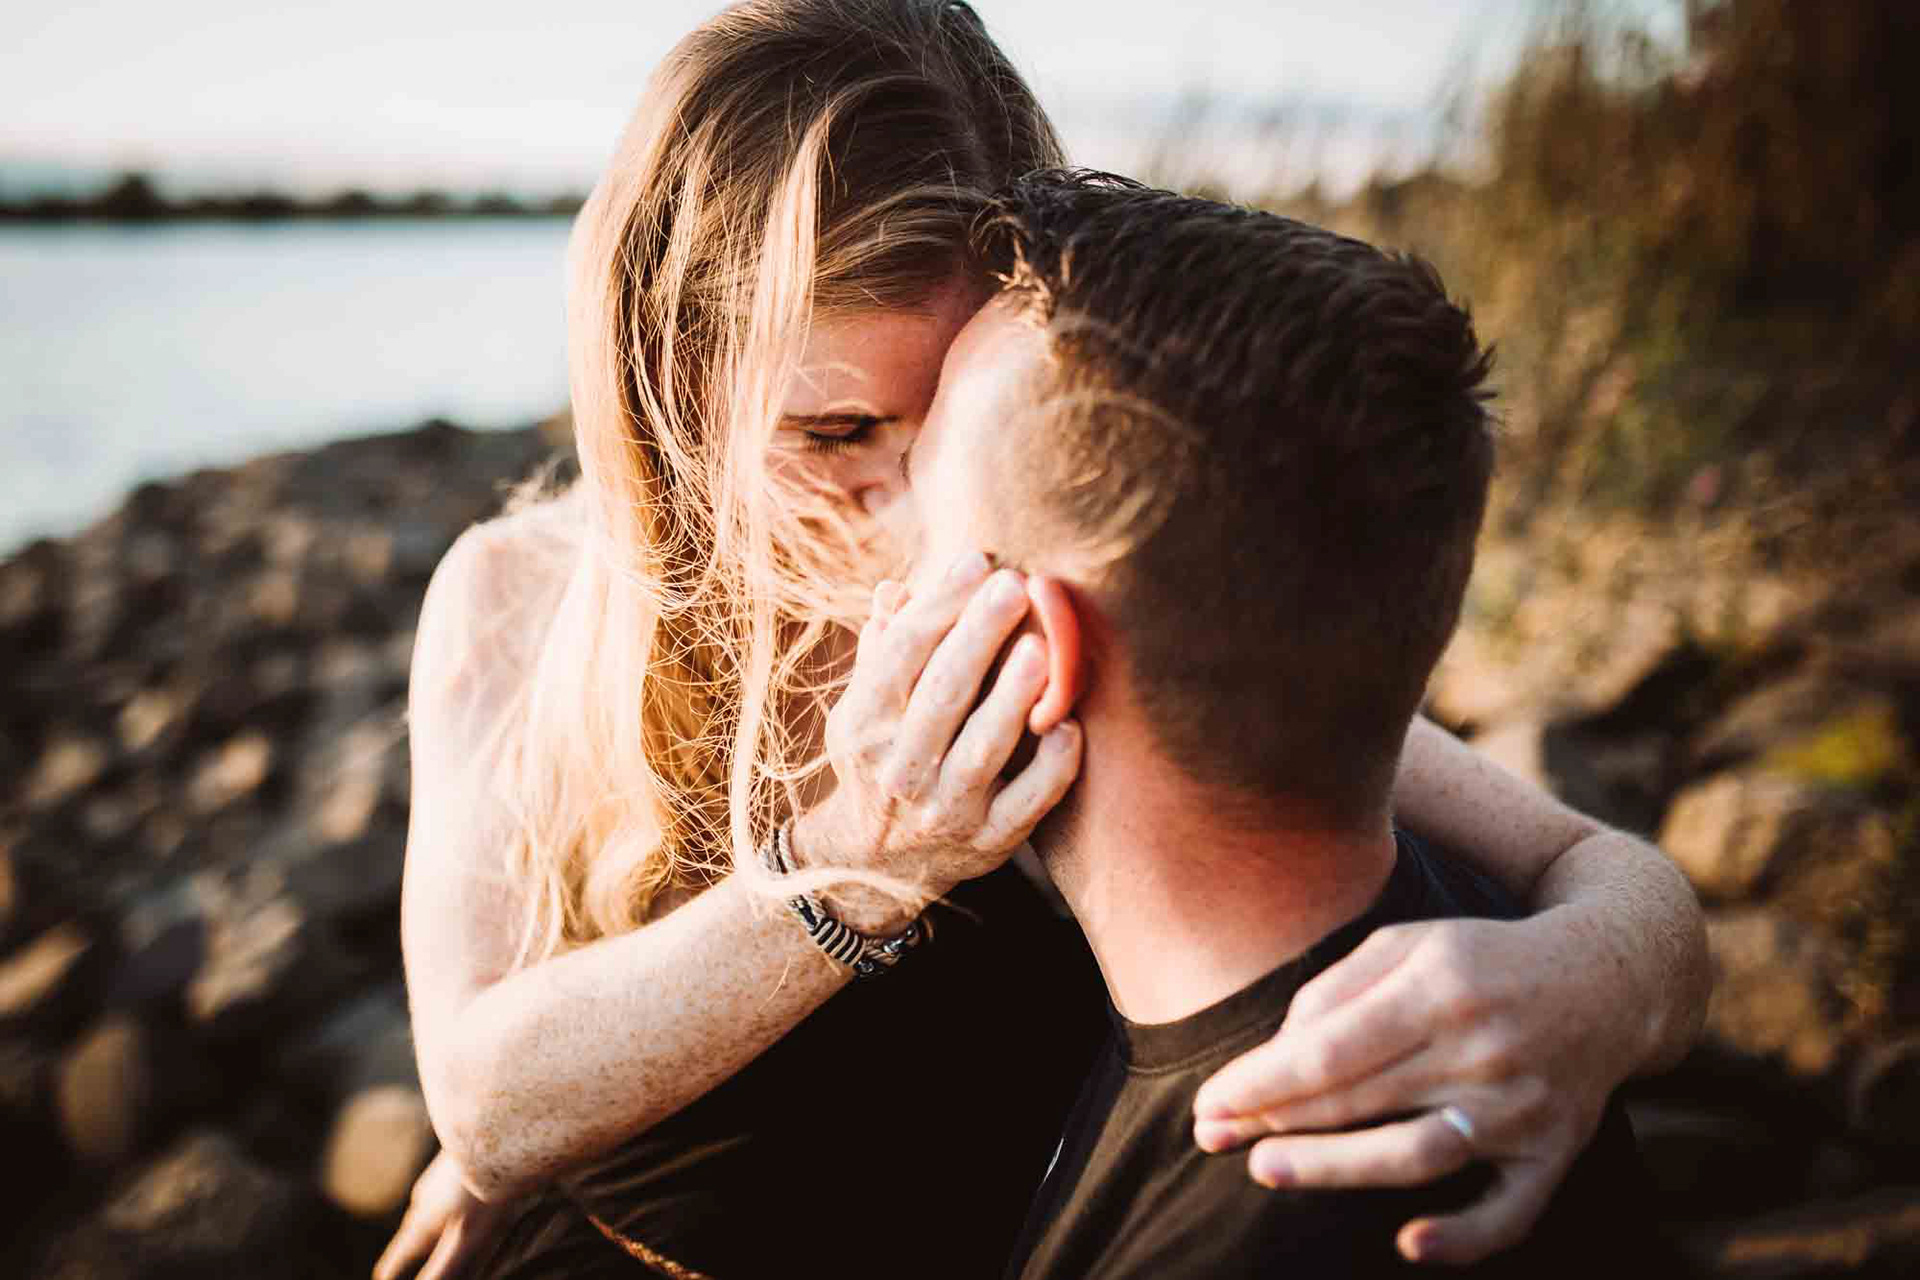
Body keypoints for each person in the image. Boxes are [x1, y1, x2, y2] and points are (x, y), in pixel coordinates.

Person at [376, 3, 1708, 1278]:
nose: (913, 508)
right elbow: (485, 1109)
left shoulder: (1044, 568)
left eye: (952, 411)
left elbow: (1590, 865)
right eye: (837, 436)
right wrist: (847, 875)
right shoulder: (518, 599)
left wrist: (1591, 989)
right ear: (669, 373)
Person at [872, 169, 1662, 1277]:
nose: (880, 554)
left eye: (921, 488)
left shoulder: (1269, 1219)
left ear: (1039, 654)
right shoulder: (1484, 923)